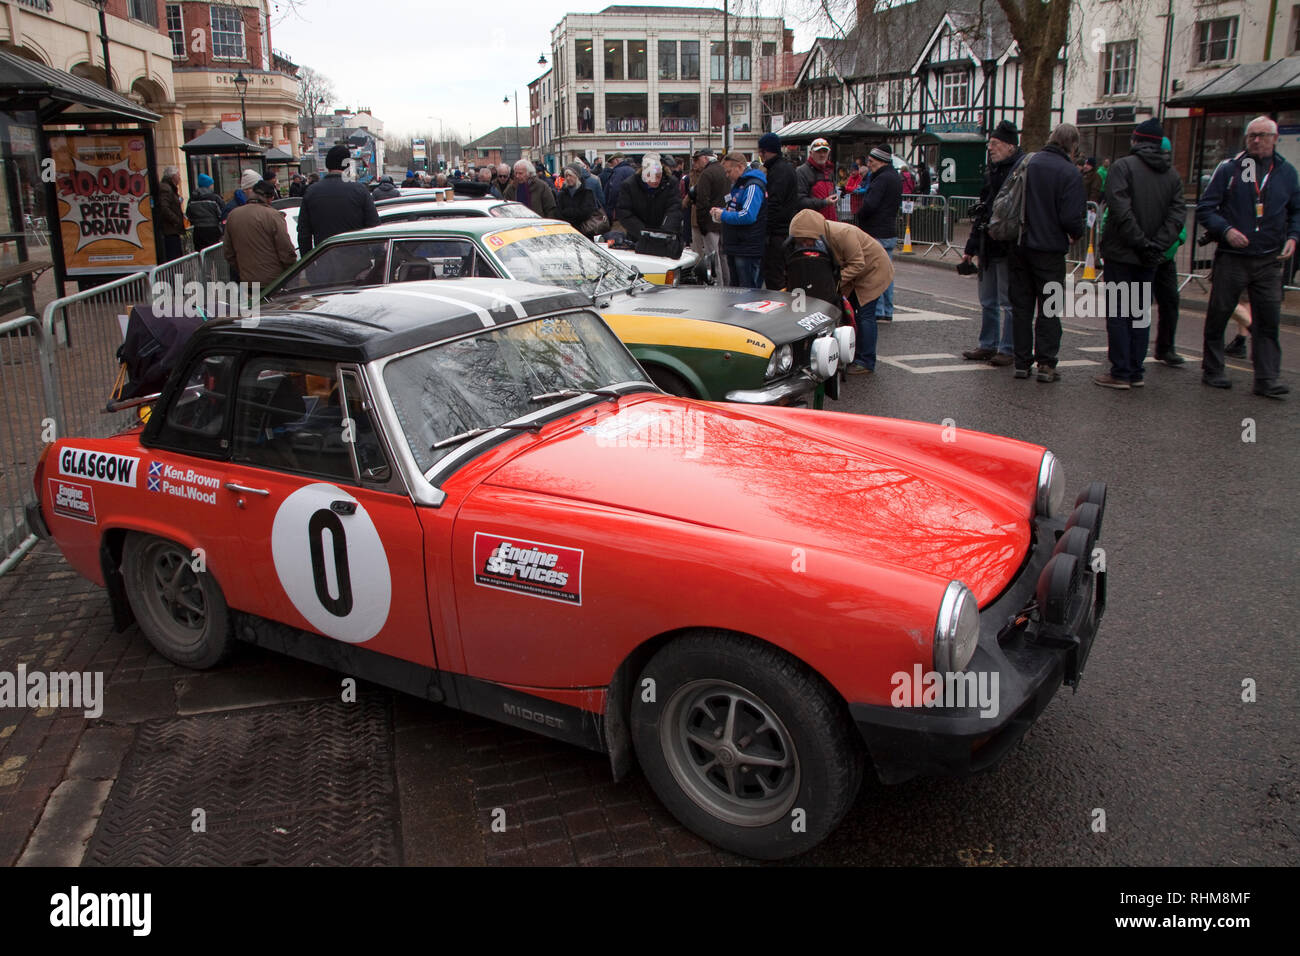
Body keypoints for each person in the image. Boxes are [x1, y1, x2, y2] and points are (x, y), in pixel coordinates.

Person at [1196, 115, 1300, 397]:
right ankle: (1214, 369)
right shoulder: (1229, 169)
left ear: (1275, 138)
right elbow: (1206, 208)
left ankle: (1267, 379)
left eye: (1262, 135)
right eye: (1251, 135)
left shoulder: (1287, 172)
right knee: (1219, 314)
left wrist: (1293, 236)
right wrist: (1226, 230)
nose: (1256, 140)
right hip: (1233, 257)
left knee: (1268, 321)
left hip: (1268, 260)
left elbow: (1296, 211)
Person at [1092, 119, 1186, 390]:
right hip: (1150, 257)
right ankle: (1135, 370)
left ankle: (1120, 371)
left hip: (1123, 254)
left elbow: (1120, 210)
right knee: (1139, 313)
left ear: (1135, 140)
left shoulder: (1122, 167)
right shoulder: (1172, 175)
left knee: (1119, 314)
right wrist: (1156, 245)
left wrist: (1141, 242)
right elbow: (1176, 215)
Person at [1007, 122, 1086, 382]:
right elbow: (1072, 219)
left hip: (1020, 244)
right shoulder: (1069, 173)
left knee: (1022, 306)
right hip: (1050, 249)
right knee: (1049, 309)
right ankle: (1046, 363)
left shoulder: (1028, 162)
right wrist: (1076, 232)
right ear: (1072, 145)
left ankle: (1021, 362)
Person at [789, 209, 893, 376]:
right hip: (854, 274)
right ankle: (848, 353)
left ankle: (865, 361)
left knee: (864, 315)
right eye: (801, 242)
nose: (805, 245)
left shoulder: (844, 233)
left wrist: (833, 282)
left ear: (814, 233)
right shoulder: (822, 237)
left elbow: (858, 264)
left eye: (806, 240)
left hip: (873, 269)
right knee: (847, 312)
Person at [961, 121, 1022, 367]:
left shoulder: (1019, 172)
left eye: (995, 144)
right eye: (990, 145)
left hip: (1008, 245)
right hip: (988, 244)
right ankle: (988, 345)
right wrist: (970, 247)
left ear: (1010, 146)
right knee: (988, 300)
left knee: (1008, 301)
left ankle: (1007, 348)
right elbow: (982, 212)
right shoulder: (992, 172)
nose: (991, 149)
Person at [296, 144, 380, 255]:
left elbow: (304, 234)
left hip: (324, 260)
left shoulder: (311, 192)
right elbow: (374, 227)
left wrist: (308, 264)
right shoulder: (360, 190)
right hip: (357, 261)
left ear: (327, 165)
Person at [855, 144, 902, 321]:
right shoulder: (893, 177)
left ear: (881, 161)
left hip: (877, 231)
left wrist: (859, 215)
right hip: (888, 230)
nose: (869, 163)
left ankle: (880, 310)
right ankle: (887, 310)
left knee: (876, 273)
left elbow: (871, 204)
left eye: (872, 161)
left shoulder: (881, 179)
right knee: (886, 272)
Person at [223, 179, 297, 286]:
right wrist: (291, 270)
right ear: (270, 198)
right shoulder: (274, 216)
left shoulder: (233, 215)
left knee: (252, 303)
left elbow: (228, 252)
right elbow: (286, 250)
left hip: (247, 281)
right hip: (273, 282)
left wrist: (242, 270)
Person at [711, 151, 766, 288]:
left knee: (747, 290)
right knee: (737, 288)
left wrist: (723, 215)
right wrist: (722, 212)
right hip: (737, 245)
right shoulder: (739, 184)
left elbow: (748, 215)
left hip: (747, 247)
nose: (727, 175)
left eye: (729, 171)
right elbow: (736, 209)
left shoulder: (752, 185)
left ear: (740, 167)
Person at [758, 132, 798, 289]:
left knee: (774, 274)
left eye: (761, 152)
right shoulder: (784, 168)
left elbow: (774, 202)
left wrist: (766, 226)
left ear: (765, 151)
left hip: (777, 233)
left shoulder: (778, 171)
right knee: (780, 273)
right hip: (783, 230)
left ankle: (780, 306)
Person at [616, 153, 682, 241]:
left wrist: (666, 231)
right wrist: (643, 232)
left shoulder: (671, 183)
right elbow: (624, 212)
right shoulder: (629, 185)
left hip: (665, 238)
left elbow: (674, 209)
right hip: (638, 237)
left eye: (658, 176)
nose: (656, 180)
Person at [689, 148, 730, 285]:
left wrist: (702, 225)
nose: (697, 163)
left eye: (698, 159)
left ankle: (718, 286)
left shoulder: (706, 174)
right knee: (723, 257)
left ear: (705, 158)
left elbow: (702, 202)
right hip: (724, 220)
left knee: (713, 258)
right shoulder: (723, 170)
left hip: (710, 222)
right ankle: (727, 284)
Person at [796, 138, 838, 221]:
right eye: (818, 151)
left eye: (825, 152)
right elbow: (799, 201)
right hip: (812, 224)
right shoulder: (801, 172)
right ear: (811, 153)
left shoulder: (829, 171)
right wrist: (824, 202)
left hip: (830, 223)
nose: (822, 155)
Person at [555, 164, 601, 236]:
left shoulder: (587, 193)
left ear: (577, 176)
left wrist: (568, 212)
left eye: (570, 175)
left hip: (584, 232)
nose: (568, 178)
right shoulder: (561, 194)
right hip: (567, 232)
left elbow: (587, 213)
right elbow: (558, 213)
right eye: (566, 176)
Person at [186, 173, 224, 252]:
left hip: (198, 231)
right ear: (209, 185)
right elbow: (222, 213)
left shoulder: (192, 199)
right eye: (212, 184)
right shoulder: (214, 198)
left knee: (201, 254)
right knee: (214, 253)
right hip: (213, 230)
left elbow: (189, 214)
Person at [156, 166, 186, 262]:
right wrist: (176, 220)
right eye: (178, 175)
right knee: (174, 260)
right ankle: (177, 278)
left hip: (173, 231)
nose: (180, 178)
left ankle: (179, 277)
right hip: (170, 232)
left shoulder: (170, 188)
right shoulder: (166, 188)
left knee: (177, 260)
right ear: (173, 176)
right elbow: (164, 207)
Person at [604, 152, 635, 226]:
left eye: (612, 162)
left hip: (618, 210)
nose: (612, 165)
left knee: (617, 232)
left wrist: (610, 208)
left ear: (617, 160)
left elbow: (614, 190)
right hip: (631, 209)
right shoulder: (632, 170)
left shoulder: (618, 171)